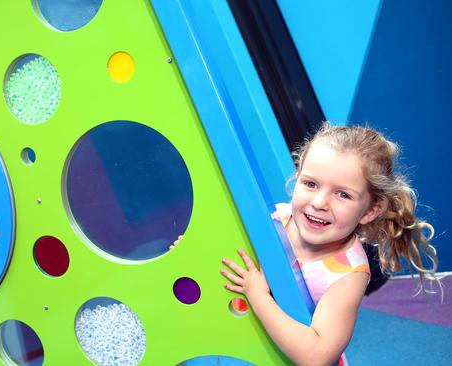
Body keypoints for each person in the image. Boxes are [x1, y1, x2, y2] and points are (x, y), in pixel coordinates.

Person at [173, 123, 439, 365]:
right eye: (311, 184)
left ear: (370, 210)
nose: (320, 202)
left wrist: (258, 296)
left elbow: (317, 356)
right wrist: (193, 254)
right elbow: (228, 263)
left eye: (343, 194)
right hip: (241, 349)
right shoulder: (276, 219)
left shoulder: (348, 275)